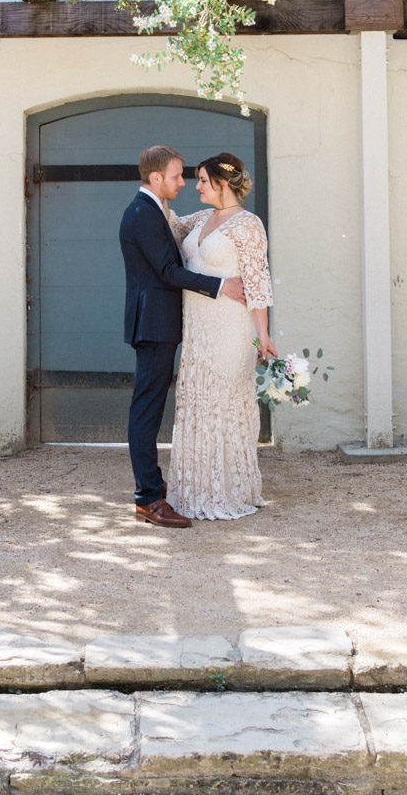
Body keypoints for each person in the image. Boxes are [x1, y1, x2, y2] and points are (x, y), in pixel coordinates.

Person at [119, 145, 246, 529]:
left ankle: (151, 495)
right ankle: (148, 500)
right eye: (176, 175)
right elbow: (168, 272)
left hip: (161, 324)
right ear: (156, 178)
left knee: (149, 409)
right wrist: (221, 284)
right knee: (146, 412)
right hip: (153, 325)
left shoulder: (156, 211)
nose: (183, 181)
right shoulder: (142, 214)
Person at [167, 152, 275, 520]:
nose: (195, 186)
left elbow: (258, 284)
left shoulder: (248, 225)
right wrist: (155, 192)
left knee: (224, 403)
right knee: (198, 401)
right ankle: (197, 489)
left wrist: (263, 336)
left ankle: (228, 491)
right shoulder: (202, 218)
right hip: (197, 329)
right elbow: (173, 225)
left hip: (230, 327)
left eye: (201, 180)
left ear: (221, 184)